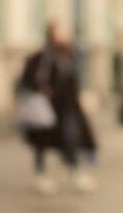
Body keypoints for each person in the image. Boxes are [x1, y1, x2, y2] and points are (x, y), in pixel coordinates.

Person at [17, 21, 97, 193]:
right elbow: (30, 80)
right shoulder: (42, 57)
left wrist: (81, 97)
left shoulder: (68, 54)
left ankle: (75, 173)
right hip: (46, 108)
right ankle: (41, 175)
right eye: (61, 32)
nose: (65, 35)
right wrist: (42, 91)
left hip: (66, 106)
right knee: (42, 142)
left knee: (70, 139)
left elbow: (74, 81)